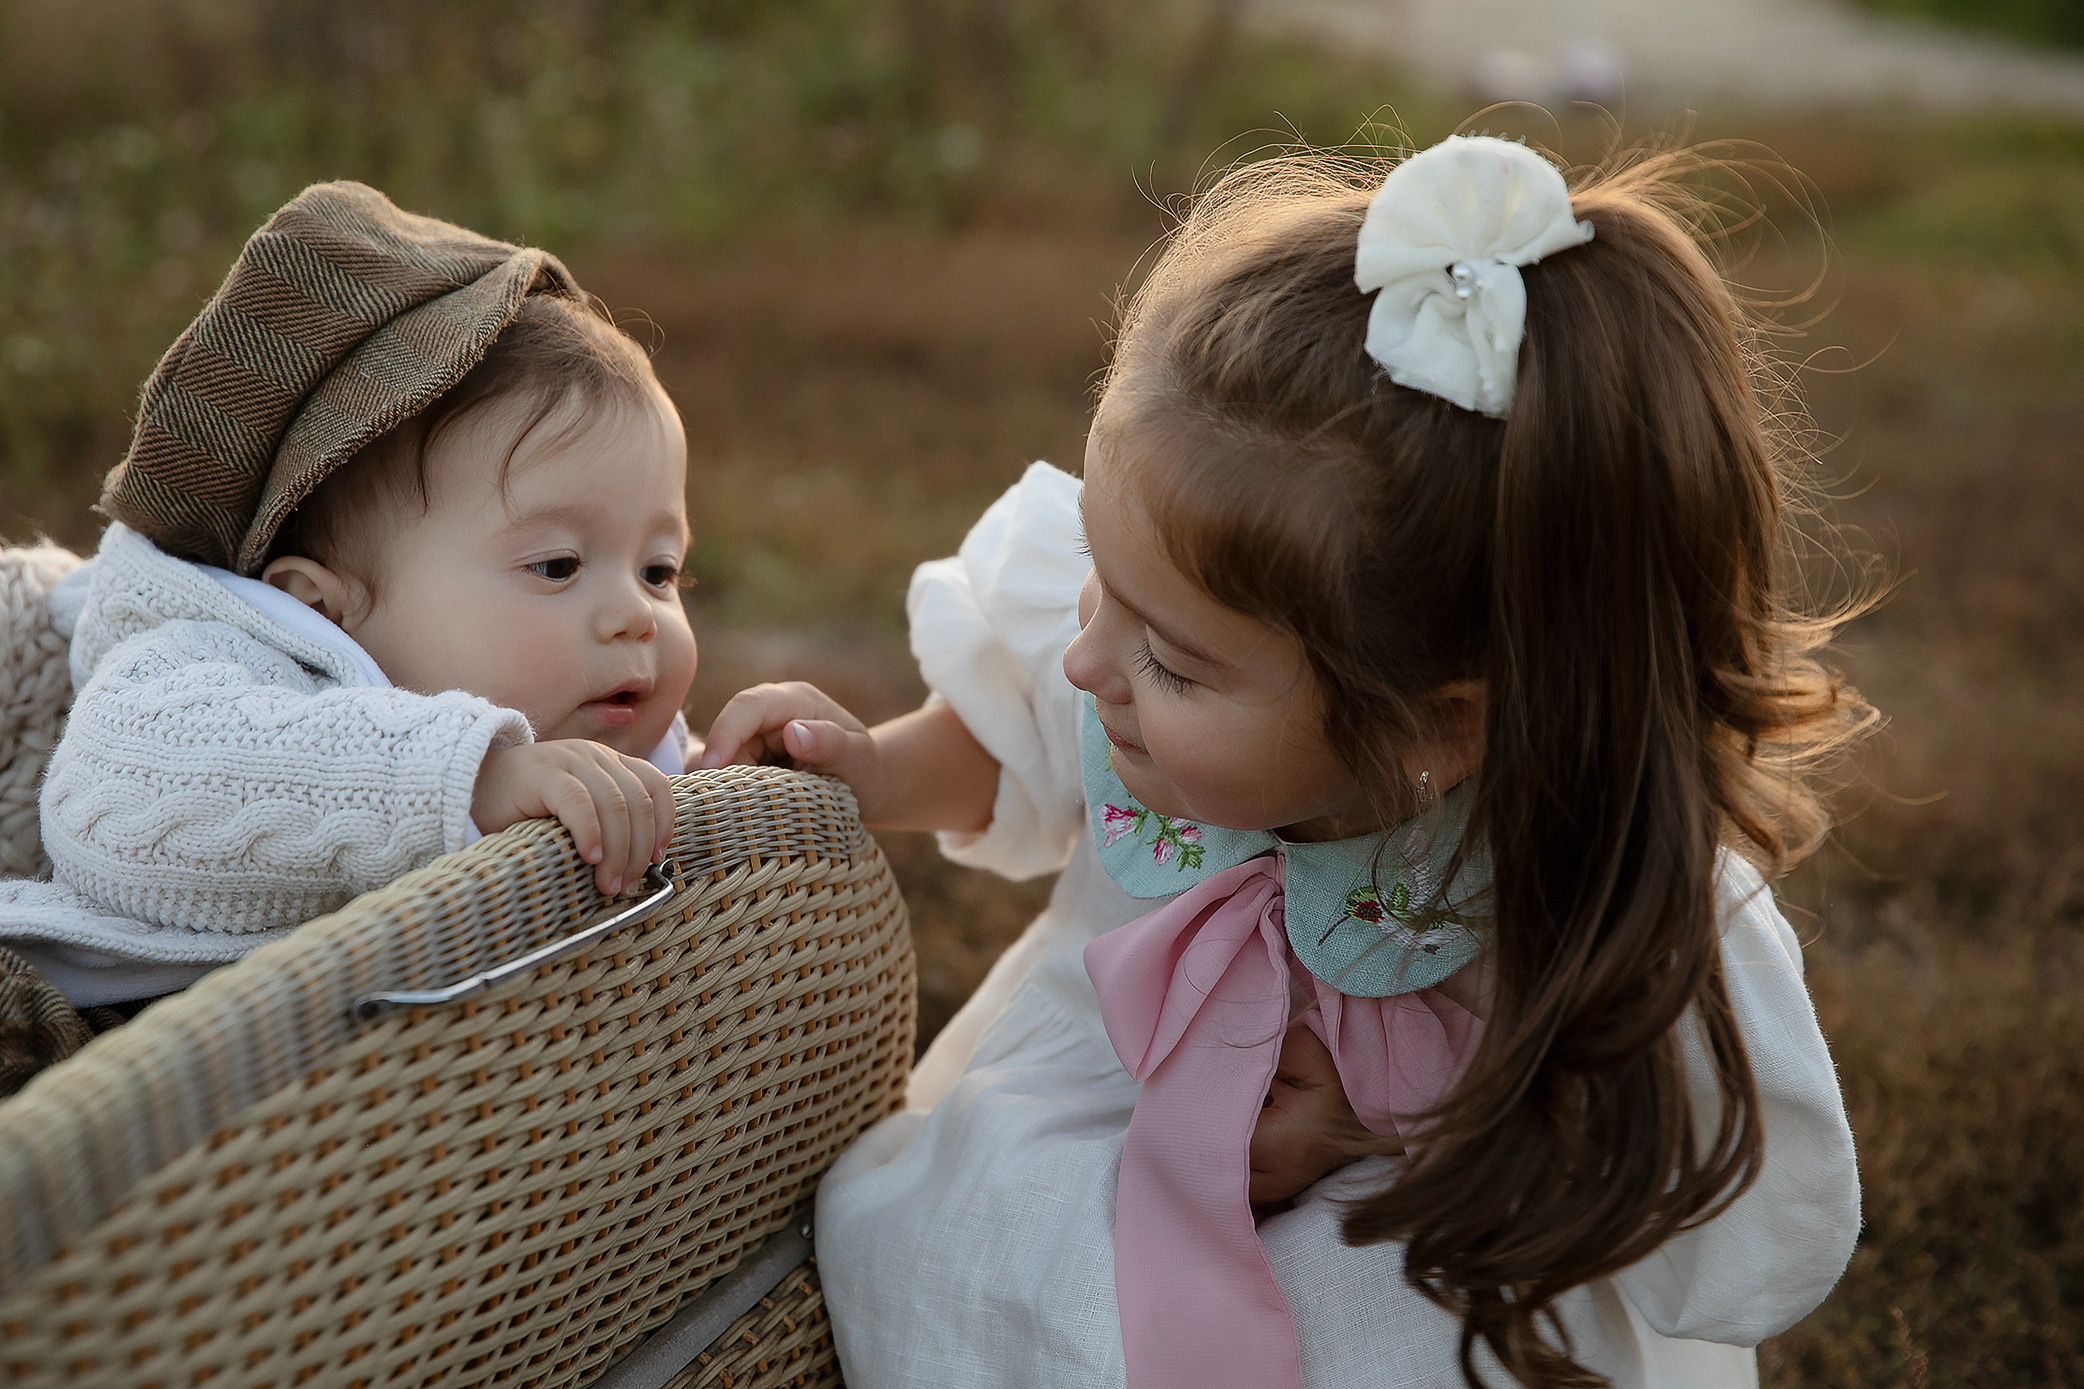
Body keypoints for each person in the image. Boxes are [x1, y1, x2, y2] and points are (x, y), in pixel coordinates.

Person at [699, 135, 1872, 1388]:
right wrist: (868, 771)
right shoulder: (1152, 624)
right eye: (1096, 586)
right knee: (948, 1262)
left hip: (1410, 1226)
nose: (1089, 662)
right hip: (1085, 1129)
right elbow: (1018, 744)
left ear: (1438, 724)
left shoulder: (1593, 880)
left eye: (1175, 665)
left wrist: (1393, 1117)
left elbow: (1733, 1224)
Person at [0, 182, 694, 1014]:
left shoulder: (606, 717)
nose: (636, 613)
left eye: (660, 570)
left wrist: (758, 767)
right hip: (135, 1052)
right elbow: (104, 800)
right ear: (324, 612)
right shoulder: (221, 668)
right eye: (556, 565)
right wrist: (464, 779)